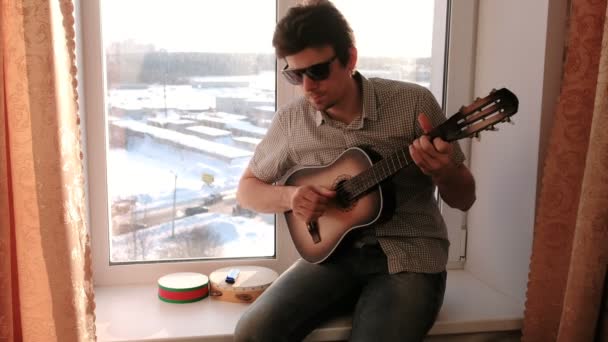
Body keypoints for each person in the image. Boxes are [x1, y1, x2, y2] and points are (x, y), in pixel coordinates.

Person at [234, 1, 476, 341]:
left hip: (408, 256)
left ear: (350, 59)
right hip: (332, 254)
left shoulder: (413, 104)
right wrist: (292, 196)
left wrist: (444, 172)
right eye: (294, 74)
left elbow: (464, 199)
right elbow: (246, 190)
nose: (306, 87)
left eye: (317, 71)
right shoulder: (292, 121)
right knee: (252, 333)